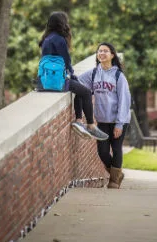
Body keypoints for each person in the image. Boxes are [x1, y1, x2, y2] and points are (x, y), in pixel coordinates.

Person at [38, 11, 108, 141]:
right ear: (62, 24)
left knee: (79, 88)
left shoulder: (46, 39)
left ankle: (79, 121)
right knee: (86, 92)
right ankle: (91, 126)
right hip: (58, 81)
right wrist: (72, 75)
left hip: (45, 80)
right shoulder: (59, 39)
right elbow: (66, 61)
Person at [78, 42, 131, 189]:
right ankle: (117, 174)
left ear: (112, 55)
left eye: (105, 51)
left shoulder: (118, 76)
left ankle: (114, 181)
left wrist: (120, 123)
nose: (101, 53)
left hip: (118, 119)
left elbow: (124, 101)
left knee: (116, 147)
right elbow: (78, 81)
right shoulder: (94, 73)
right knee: (102, 152)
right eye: (99, 51)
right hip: (102, 120)